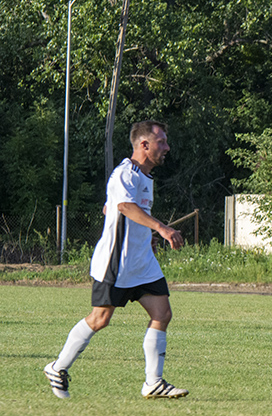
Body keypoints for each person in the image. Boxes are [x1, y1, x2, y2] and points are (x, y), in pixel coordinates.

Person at [44, 120, 189, 400]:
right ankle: (57, 367)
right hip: (116, 263)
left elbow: (112, 208)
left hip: (142, 262)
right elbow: (123, 206)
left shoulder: (144, 178)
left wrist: (147, 236)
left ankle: (153, 382)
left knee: (162, 314)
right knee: (100, 319)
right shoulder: (126, 172)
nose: (167, 147)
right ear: (144, 145)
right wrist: (161, 227)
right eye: (162, 142)